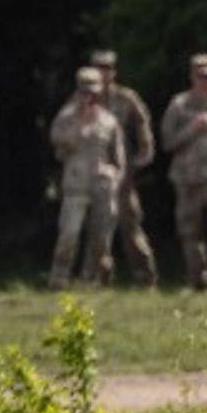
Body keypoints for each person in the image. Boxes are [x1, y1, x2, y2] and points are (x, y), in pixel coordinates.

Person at [159, 54, 207, 291]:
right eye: (202, 76)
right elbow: (168, 142)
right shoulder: (178, 105)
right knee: (189, 233)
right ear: (192, 77)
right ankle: (198, 281)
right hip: (187, 179)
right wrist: (192, 128)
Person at [84, 50, 160, 287]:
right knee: (97, 228)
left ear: (114, 71)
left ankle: (146, 277)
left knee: (131, 228)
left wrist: (141, 158)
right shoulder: (83, 99)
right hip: (93, 175)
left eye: (108, 68)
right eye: (99, 67)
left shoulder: (127, 98)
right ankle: (98, 276)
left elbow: (143, 127)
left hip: (123, 176)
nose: (103, 72)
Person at [49, 68, 126, 289]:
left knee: (101, 236)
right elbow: (57, 143)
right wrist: (80, 126)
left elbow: (118, 157)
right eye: (84, 93)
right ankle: (59, 277)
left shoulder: (109, 120)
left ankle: (92, 278)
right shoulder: (65, 117)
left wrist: (114, 176)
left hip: (102, 185)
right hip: (76, 184)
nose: (88, 98)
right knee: (69, 233)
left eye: (93, 94)